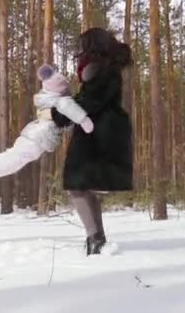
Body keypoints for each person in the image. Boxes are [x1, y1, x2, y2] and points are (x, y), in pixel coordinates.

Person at [51, 27, 133, 256]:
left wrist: (59, 113)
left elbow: (89, 100)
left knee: (76, 185)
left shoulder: (102, 70)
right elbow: (87, 98)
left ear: (92, 46)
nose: (78, 49)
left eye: (82, 44)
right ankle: (98, 238)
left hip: (99, 134)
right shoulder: (103, 69)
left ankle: (94, 238)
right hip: (101, 131)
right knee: (83, 187)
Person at [0, 64, 94, 192]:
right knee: (14, 160)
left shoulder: (48, 99)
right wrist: (86, 123)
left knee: (14, 158)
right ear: (61, 89)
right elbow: (75, 113)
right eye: (66, 89)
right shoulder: (62, 101)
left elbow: (66, 121)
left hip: (34, 133)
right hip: (39, 137)